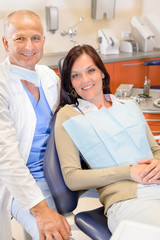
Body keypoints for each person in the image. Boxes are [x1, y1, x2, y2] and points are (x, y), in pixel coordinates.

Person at [54, 44, 160, 234]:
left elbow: (155, 150)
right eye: (76, 75)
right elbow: (72, 178)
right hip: (128, 201)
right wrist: (128, 172)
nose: (85, 80)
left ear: (102, 72)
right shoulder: (68, 115)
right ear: (70, 83)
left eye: (91, 70)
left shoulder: (129, 105)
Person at [0, 10, 71, 240]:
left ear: (43, 41)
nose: (29, 46)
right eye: (20, 38)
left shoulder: (48, 76)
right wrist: (41, 211)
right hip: (19, 184)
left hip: (56, 173)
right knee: (55, 235)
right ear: (5, 42)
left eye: (36, 38)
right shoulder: (2, 86)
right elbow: (7, 157)